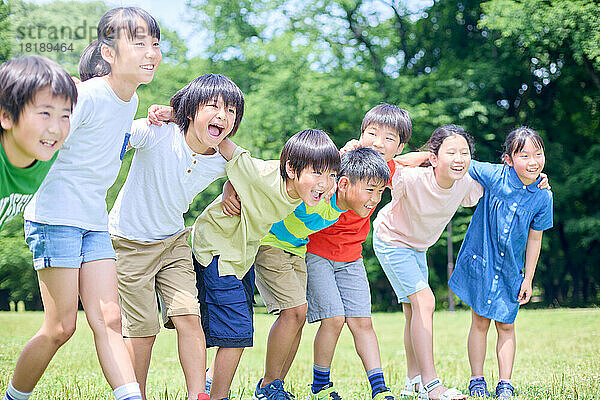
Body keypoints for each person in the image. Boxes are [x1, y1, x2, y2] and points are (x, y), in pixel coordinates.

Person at [3, 8, 161, 400]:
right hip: (55, 216)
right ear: (108, 53)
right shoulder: (87, 96)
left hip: (93, 220)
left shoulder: (132, 101)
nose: (151, 53)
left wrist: (168, 114)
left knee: (110, 317)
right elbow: (45, 133)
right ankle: (14, 396)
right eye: (138, 43)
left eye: (155, 44)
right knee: (60, 328)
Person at [108, 74, 244, 400]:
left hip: (173, 243)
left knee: (189, 317)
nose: (223, 116)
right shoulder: (157, 133)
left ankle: (199, 395)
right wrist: (170, 113)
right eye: (213, 106)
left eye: (231, 111)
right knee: (142, 331)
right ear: (191, 109)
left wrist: (230, 184)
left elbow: (249, 167)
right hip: (128, 242)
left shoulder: (222, 160)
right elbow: (118, 134)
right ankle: (133, 395)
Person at [191, 129, 340, 400]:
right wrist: (180, 116)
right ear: (292, 169)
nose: (327, 182)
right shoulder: (264, 174)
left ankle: (213, 385)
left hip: (242, 255)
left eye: (331, 175)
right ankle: (216, 394)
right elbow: (226, 146)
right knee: (236, 331)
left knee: (239, 329)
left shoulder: (303, 193)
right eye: (318, 173)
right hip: (216, 248)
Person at [245, 147, 390, 400]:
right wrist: (234, 190)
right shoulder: (322, 192)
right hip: (279, 245)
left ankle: (276, 385)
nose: (376, 199)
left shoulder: (342, 201)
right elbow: (280, 176)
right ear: (344, 184)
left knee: (299, 316)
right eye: (370, 190)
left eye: (380, 191)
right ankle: (274, 385)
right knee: (299, 313)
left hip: (302, 249)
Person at [304, 104, 412, 400]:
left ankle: (379, 387)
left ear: (399, 147)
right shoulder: (339, 164)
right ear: (360, 134)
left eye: (389, 138)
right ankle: (320, 386)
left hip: (352, 257)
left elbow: (408, 162)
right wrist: (340, 153)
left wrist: (430, 156)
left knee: (362, 321)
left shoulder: (387, 170)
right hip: (317, 252)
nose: (378, 142)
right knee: (333, 319)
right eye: (371, 133)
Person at [373, 125, 482, 400]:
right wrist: (418, 157)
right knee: (425, 301)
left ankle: (414, 382)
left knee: (413, 310)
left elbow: (503, 178)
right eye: (451, 152)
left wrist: (537, 180)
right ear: (434, 157)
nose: (459, 158)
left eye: (464, 153)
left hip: (418, 248)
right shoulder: (412, 178)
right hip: (391, 240)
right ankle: (432, 385)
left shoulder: (466, 183)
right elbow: (380, 166)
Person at [448, 127, 553, 400]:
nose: (533, 161)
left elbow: (535, 240)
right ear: (508, 159)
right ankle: (477, 379)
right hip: (482, 262)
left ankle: (505, 383)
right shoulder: (495, 175)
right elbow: (460, 163)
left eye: (538, 154)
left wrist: (528, 278)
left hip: (511, 271)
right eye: (524, 155)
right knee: (480, 321)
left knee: (506, 325)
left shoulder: (543, 196)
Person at [0, 56, 76, 230]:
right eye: (45, 114)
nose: (55, 129)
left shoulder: (45, 147)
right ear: (6, 116)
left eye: (65, 116)